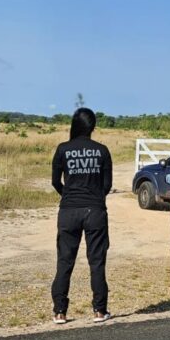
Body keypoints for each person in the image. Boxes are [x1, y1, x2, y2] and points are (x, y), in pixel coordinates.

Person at [51, 108, 113, 324]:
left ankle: (60, 311)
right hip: (95, 211)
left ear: (74, 125)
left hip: (68, 211)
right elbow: (107, 185)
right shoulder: (102, 151)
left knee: (64, 262)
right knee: (96, 262)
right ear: (93, 127)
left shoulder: (63, 149)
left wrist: (68, 195)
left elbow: (55, 182)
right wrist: (94, 197)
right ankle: (99, 310)